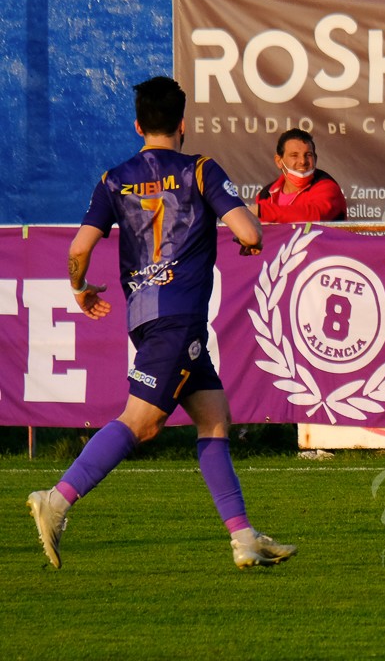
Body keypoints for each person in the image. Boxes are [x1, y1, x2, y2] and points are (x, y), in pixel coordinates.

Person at [26, 76, 296, 571]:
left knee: (214, 418)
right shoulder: (200, 169)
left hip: (148, 316)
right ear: (184, 125)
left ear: (137, 125)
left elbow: (78, 249)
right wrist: (251, 240)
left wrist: (80, 289)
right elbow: (247, 229)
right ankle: (58, 499)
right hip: (180, 317)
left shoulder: (113, 178)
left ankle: (243, 538)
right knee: (142, 424)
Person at [252, 128, 347, 222]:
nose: (302, 161)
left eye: (308, 155)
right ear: (279, 161)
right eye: (294, 155)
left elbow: (315, 216)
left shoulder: (327, 186)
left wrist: (263, 211)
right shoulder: (265, 195)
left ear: (315, 158)